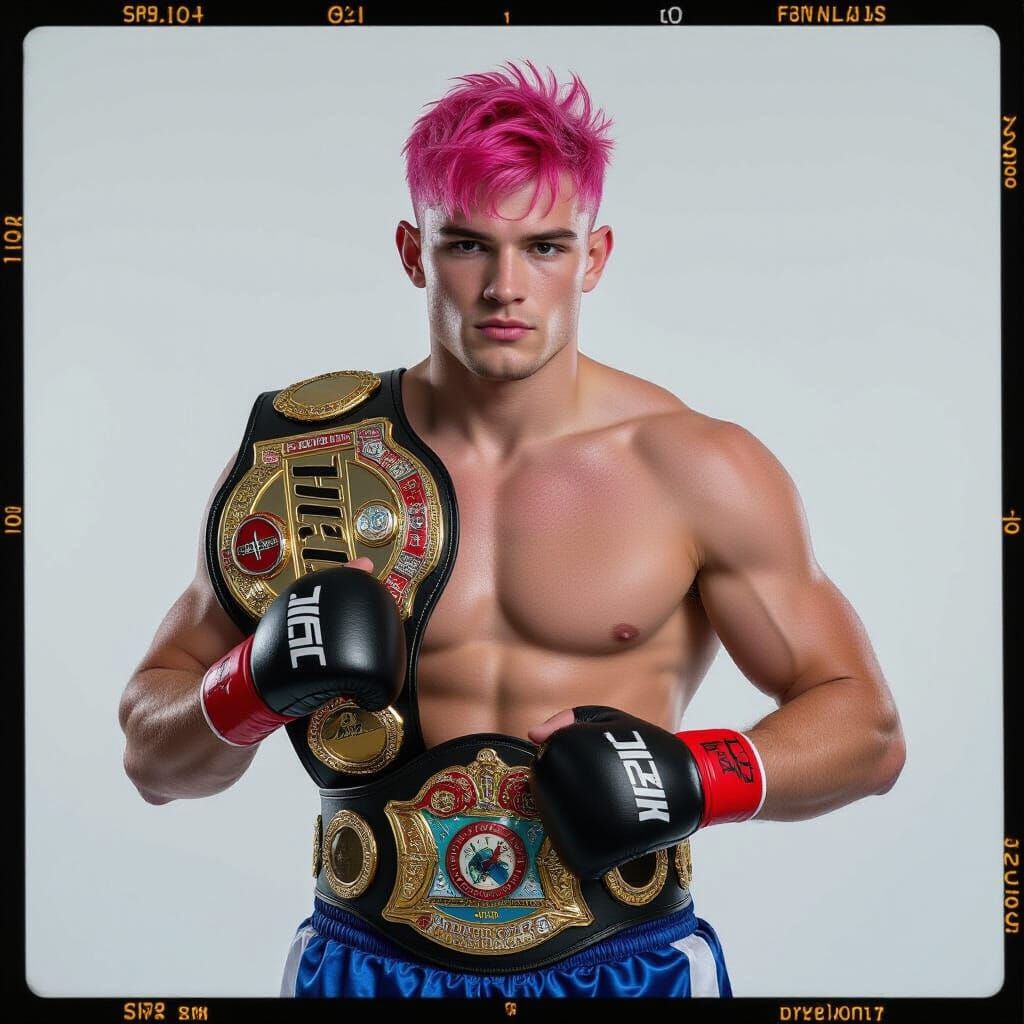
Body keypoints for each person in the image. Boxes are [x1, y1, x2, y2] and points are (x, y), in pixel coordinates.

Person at [118, 60, 906, 999]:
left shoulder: (698, 468)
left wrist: (698, 778)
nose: (505, 286)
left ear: (596, 254)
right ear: (413, 251)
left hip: (626, 967)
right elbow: (152, 759)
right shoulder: (305, 464)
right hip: (363, 967)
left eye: (544, 246)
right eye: (466, 245)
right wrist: (252, 682)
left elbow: (868, 731)